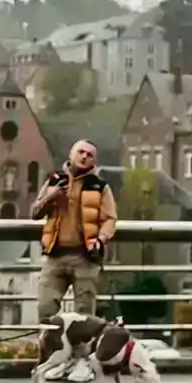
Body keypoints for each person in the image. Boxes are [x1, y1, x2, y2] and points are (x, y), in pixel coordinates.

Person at [32, 139, 118, 324]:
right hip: (55, 255)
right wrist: (52, 196)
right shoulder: (54, 181)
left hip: (85, 257)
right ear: (71, 154)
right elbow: (35, 213)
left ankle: (80, 353)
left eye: (90, 155)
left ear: (94, 162)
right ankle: (50, 351)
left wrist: (101, 239)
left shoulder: (100, 186)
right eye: (81, 152)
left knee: (85, 318)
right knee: (45, 310)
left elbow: (110, 219)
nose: (85, 157)